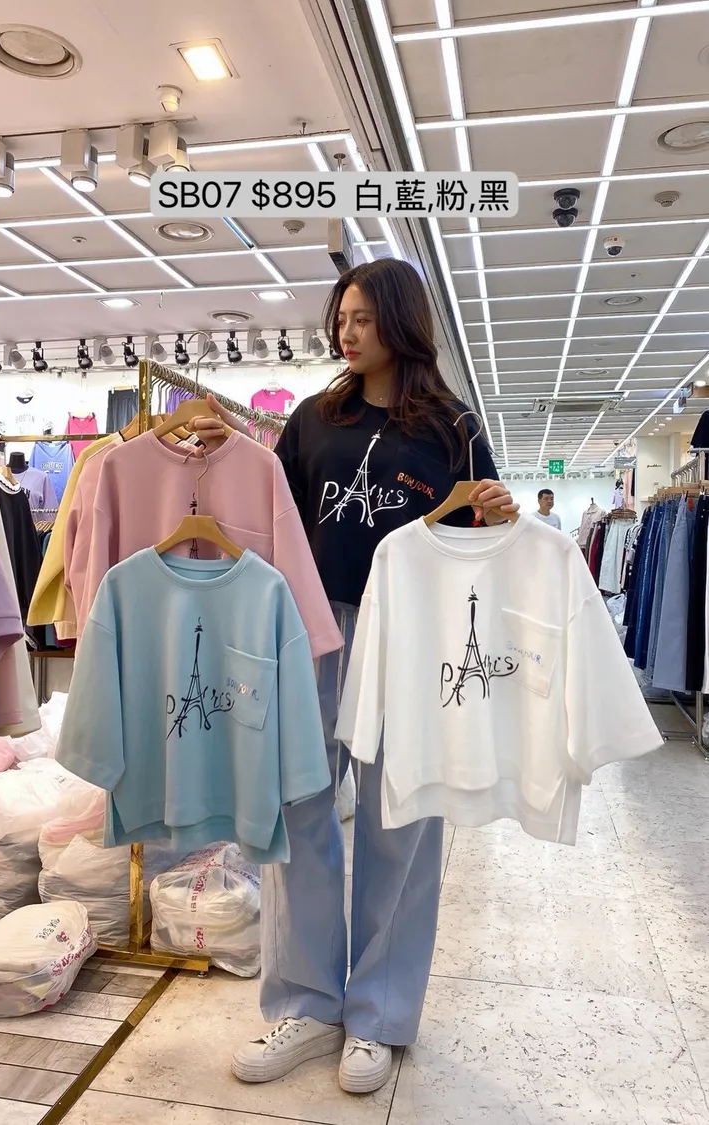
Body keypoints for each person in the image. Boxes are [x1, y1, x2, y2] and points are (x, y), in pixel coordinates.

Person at [192, 258, 518, 1095]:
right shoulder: (312, 420)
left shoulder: (453, 427)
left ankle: (377, 1010)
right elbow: (275, 527)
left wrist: (499, 512)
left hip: (411, 630)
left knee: (400, 816)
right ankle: (306, 1001)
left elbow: (479, 545)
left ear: (401, 322)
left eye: (364, 317)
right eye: (341, 316)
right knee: (298, 805)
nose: (347, 330)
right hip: (314, 625)